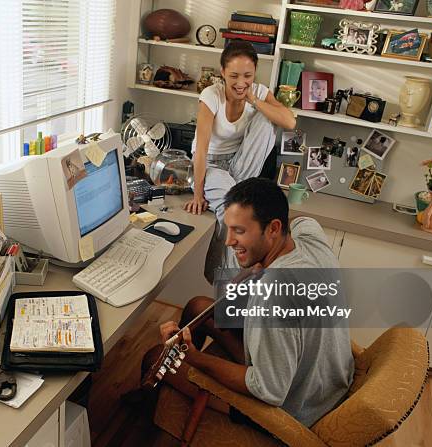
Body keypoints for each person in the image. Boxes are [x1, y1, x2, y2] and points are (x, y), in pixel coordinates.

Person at [142, 178, 354, 428]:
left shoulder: (273, 294)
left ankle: (150, 416)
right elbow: (300, 221)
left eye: (240, 231)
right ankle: (179, 383)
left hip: (294, 406)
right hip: (323, 377)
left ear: (274, 228)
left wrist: (195, 359)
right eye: (229, 228)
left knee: (154, 358)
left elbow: (270, 390)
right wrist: (260, 263)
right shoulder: (310, 238)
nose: (229, 241)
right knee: (198, 307)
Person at [184, 40, 295, 274]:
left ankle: (240, 275)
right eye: (234, 76)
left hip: (240, 165)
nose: (241, 83)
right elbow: (201, 150)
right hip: (210, 165)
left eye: (248, 75)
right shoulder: (211, 95)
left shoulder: (258, 92)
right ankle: (227, 278)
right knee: (235, 212)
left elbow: (289, 121)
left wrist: (254, 100)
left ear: (255, 73)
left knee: (268, 118)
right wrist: (197, 194)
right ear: (222, 72)